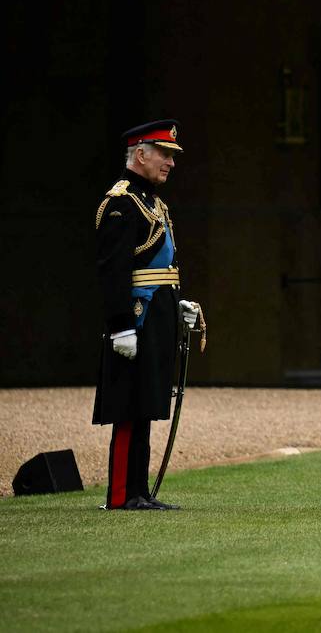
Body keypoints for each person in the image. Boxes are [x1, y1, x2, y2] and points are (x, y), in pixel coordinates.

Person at [93, 120, 199, 511]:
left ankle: (139, 491)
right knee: (128, 406)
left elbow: (160, 264)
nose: (170, 163)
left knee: (148, 403)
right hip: (134, 318)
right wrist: (120, 326)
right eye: (165, 154)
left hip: (157, 312)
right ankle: (122, 494)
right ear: (141, 154)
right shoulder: (121, 203)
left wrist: (177, 303)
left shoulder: (154, 203)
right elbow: (114, 271)